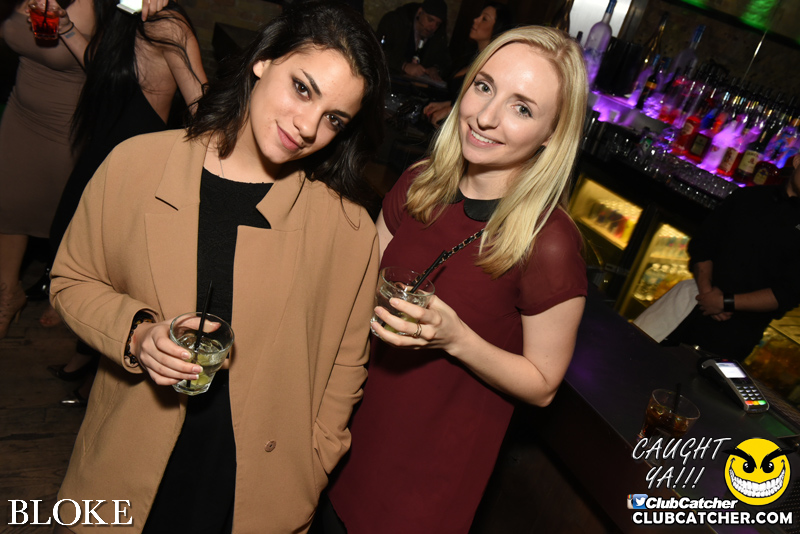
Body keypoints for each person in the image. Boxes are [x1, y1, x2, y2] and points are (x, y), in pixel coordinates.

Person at [49, 3, 387, 531]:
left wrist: (314, 463)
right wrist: (137, 335)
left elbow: (345, 368)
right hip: (129, 462)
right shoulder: (136, 164)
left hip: (255, 490)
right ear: (263, 61)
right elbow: (72, 280)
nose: (307, 127)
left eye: (334, 119)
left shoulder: (347, 231)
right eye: (302, 89)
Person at [325, 26, 589, 534]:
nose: (486, 116)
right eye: (484, 87)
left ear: (552, 134)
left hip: (423, 483)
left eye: (522, 108)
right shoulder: (419, 183)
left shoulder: (548, 241)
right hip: (343, 431)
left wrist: (456, 338)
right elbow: (357, 291)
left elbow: (543, 385)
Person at [43, 0, 207, 405]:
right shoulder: (120, 15)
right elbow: (107, 70)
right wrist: (66, 30)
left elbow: (203, 109)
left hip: (134, 172)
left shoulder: (166, 23)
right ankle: (86, 360)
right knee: (76, 258)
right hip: (100, 160)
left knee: (110, 276)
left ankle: (99, 383)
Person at [0, 0, 165, 339]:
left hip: (70, 124)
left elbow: (115, 70)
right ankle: (8, 292)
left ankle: (64, 291)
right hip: (20, 113)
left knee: (69, 216)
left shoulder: (102, 5)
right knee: (8, 204)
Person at [660, 154, 800, 360]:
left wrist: (724, 303)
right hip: (692, 306)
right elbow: (703, 244)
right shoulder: (748, 196)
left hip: (736, 334)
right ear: (797, 161)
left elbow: (789, 292)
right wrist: (707, 293)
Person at [423, 1, 513, 126]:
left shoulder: (496, 66)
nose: (476, 20)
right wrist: (446, 105)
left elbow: (487, 104)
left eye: (484, 19)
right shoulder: (473, 57)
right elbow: (462, 97)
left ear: (498, 28)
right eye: (479, 16)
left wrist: (452, 111)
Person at [376, 0, 451, 81]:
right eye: (430, 20)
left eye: (437, 24)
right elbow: (377, 51)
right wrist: (403, 65)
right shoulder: (394, 21)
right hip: (387, 79)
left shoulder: (439, 34)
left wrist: (436, 69)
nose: (433, 27)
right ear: (420, 12)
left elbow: (444, 60)